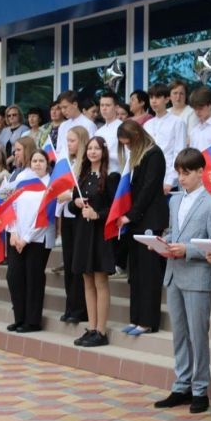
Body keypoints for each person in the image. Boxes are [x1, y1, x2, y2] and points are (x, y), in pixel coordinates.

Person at [153, 147, 211, 414]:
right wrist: (163, 242)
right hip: (173, 273)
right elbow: (174, 232)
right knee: (180, 335)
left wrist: (189, 250)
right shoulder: (174, 200)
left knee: (198, 335)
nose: (181, 178)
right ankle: (181, 385)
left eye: (186, 173)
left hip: (197, 276)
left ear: (200, 172)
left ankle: (200, 389)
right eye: (179, 173)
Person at [115, 120, 168, 335]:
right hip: (137, 221)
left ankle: (148, 321)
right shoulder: (136, 156)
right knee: (135, 273)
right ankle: (136, 318)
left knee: (148, 273)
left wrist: (130, 215)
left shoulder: (154, 154)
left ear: (137, 136)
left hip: (150, 220)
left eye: (128, 143)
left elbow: (148, 189)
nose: (127, 147)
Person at [69, 136, 120, 347]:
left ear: (104, 152)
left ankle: (101, 330)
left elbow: (116, 207)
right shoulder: (81, 176)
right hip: (83, 233)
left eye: (96, 148)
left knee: (100, 281)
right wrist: (76, 202)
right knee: (87, 281)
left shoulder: (110, 177)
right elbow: (72, 208)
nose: (92, 152)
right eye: (89, 148)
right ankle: (91, 327)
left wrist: (98, 214)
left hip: (100, 235)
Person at [6, 150, 55, 333]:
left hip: (37, 240)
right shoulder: (24, 181)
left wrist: (26, 239)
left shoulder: (50, 184)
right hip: (17, 237)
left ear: (47, 163)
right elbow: (12, 207)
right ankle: (19, 318)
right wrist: (13, 233)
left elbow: (45, 217)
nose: (37, 164)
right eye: (34, 160)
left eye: (41, 161)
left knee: (33, 279)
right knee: (14, 277)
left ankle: (32, 321)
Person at [58, 126, 88, 324]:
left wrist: (69, 194)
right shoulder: (66, 163)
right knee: (68, 263)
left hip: (80, 217)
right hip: (66, 216)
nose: (68, 144)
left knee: (78, 264)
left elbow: (83, 191)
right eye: (67, 141)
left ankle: (80, 308)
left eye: (72, 140)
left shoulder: (86, 164)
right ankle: (70, 305)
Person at [144, 83, 186, 194]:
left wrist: (170, 181)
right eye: (151, 97)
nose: (153, 101)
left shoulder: (177, 122)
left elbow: (179, 153)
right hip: (148, 178)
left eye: (157, 97)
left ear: (167, 99)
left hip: (168, 179)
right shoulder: (147, 125)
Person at [96, 91, 123, 173]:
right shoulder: (98, 132)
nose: (104, 108)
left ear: (116, 107)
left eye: (108, 105)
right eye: (102, 105)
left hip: (117, 174)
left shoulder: (123, 128)